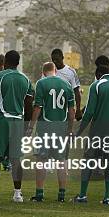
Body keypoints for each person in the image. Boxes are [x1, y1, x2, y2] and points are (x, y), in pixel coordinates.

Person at [0, 50, 34, 203]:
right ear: (18, 62)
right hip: (18, 120)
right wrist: (27, 126)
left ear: (5, 61)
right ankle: (18, 194)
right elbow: (29, 105)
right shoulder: (26, 79)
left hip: (1, 119)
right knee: (16, 158)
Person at [74, 65, 109, 205]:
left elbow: (89, 112)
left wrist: (78, 132)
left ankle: (83, 195)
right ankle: (107, 197)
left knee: (88, 161)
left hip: (97, 132)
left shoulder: (96, 85)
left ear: (98, 74)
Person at [28, 62, 75, 203]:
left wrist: (31, 127)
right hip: (61, 127)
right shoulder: (67, 85)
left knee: (41, 160)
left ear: (43, 72)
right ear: (55, 71)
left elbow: (37, 107)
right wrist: (70, 129)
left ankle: (40, 193)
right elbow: (71, 111)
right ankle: (61, 195)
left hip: (45, 128)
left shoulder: (42, 83)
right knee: (61, 161)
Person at [51, 49, 82, 120]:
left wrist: (78, 109)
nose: (55, 62)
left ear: (62, 57)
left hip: (66, 110)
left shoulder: (70, 72)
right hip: (51, 109)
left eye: (57, 59)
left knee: (65, 130)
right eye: (53, 60)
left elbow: (77, 91)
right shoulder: (49, 71)